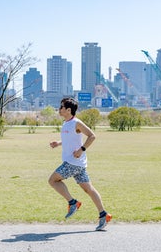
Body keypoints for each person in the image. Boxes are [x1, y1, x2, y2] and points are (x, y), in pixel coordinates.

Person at [48, 97, 112, 231]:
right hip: (78, 164)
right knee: (88, 189)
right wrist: (58, 143)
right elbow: (70, 139)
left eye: (61, 107)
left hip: (73, 163)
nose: (59, 109)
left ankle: (73, 203)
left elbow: (92, 136)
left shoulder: (76, 123)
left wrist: (82, 150)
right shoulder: (66, 123)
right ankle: (103, 214)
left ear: (68, 110)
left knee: (53, 180)